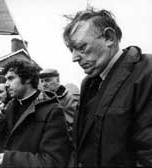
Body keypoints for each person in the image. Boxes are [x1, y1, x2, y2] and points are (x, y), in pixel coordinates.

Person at [63, 8, 152, 167]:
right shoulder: (88, 83)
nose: (74, 58)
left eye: (82, 47)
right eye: (72, 49)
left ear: (109, 37)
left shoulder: (147, 73)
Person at [0, 60, 72, 168]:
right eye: (6, 79)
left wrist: (9, 159)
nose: (6, 84)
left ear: (28, 78)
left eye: (11, 78)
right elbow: (1, 143)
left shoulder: (52, 111)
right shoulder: (10, 106)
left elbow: (53, 161)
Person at [39, 68, 79, 140]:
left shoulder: (69, 98)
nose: (44, 84)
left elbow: (78, 123)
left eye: (47, 80)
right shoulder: (43, 98)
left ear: (57, 80)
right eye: (42, 81)